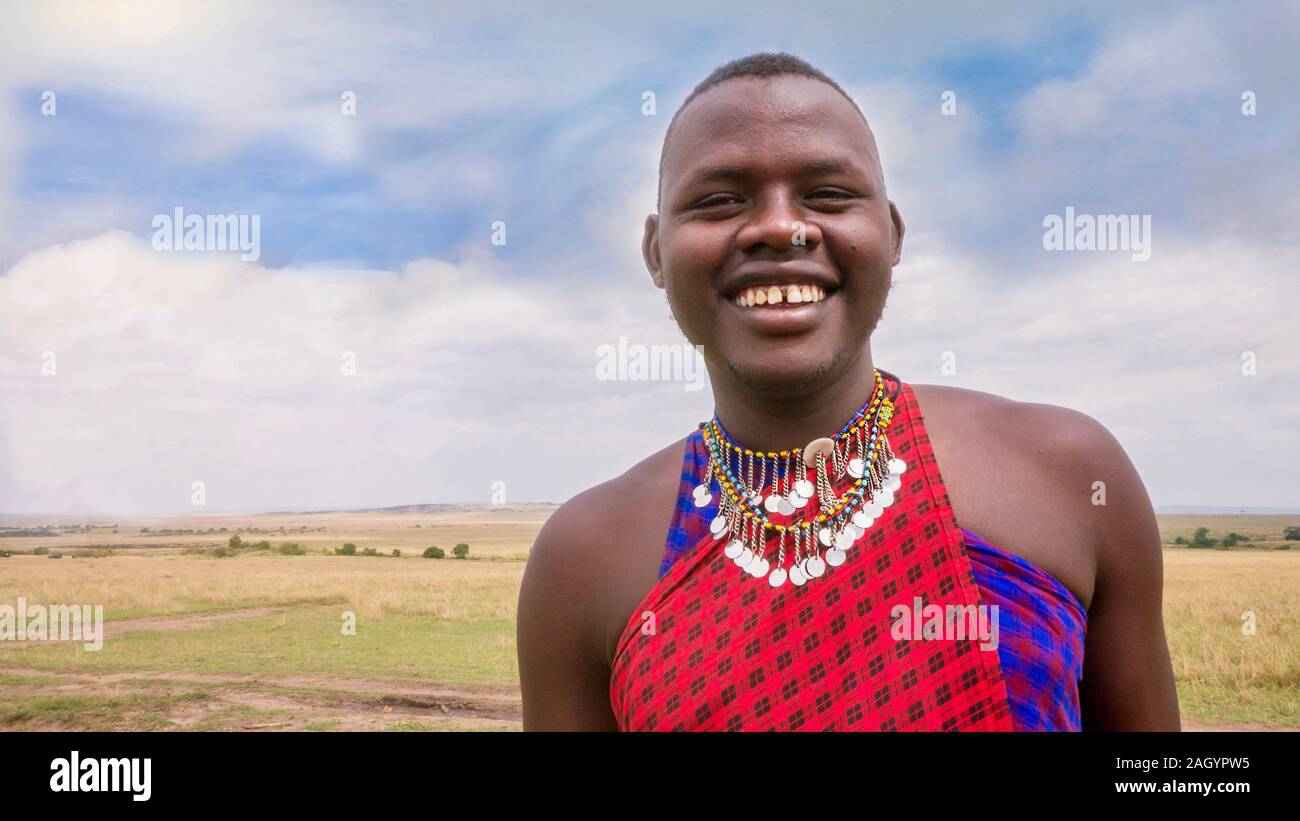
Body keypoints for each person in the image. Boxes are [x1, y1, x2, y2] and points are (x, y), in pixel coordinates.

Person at [517, 52, 1180, 731]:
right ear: (657, 252)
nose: (782, 227)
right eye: (719, 200)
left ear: (891, 236)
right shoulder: (584, 558)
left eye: (828, 194)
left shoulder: (1070, 470)